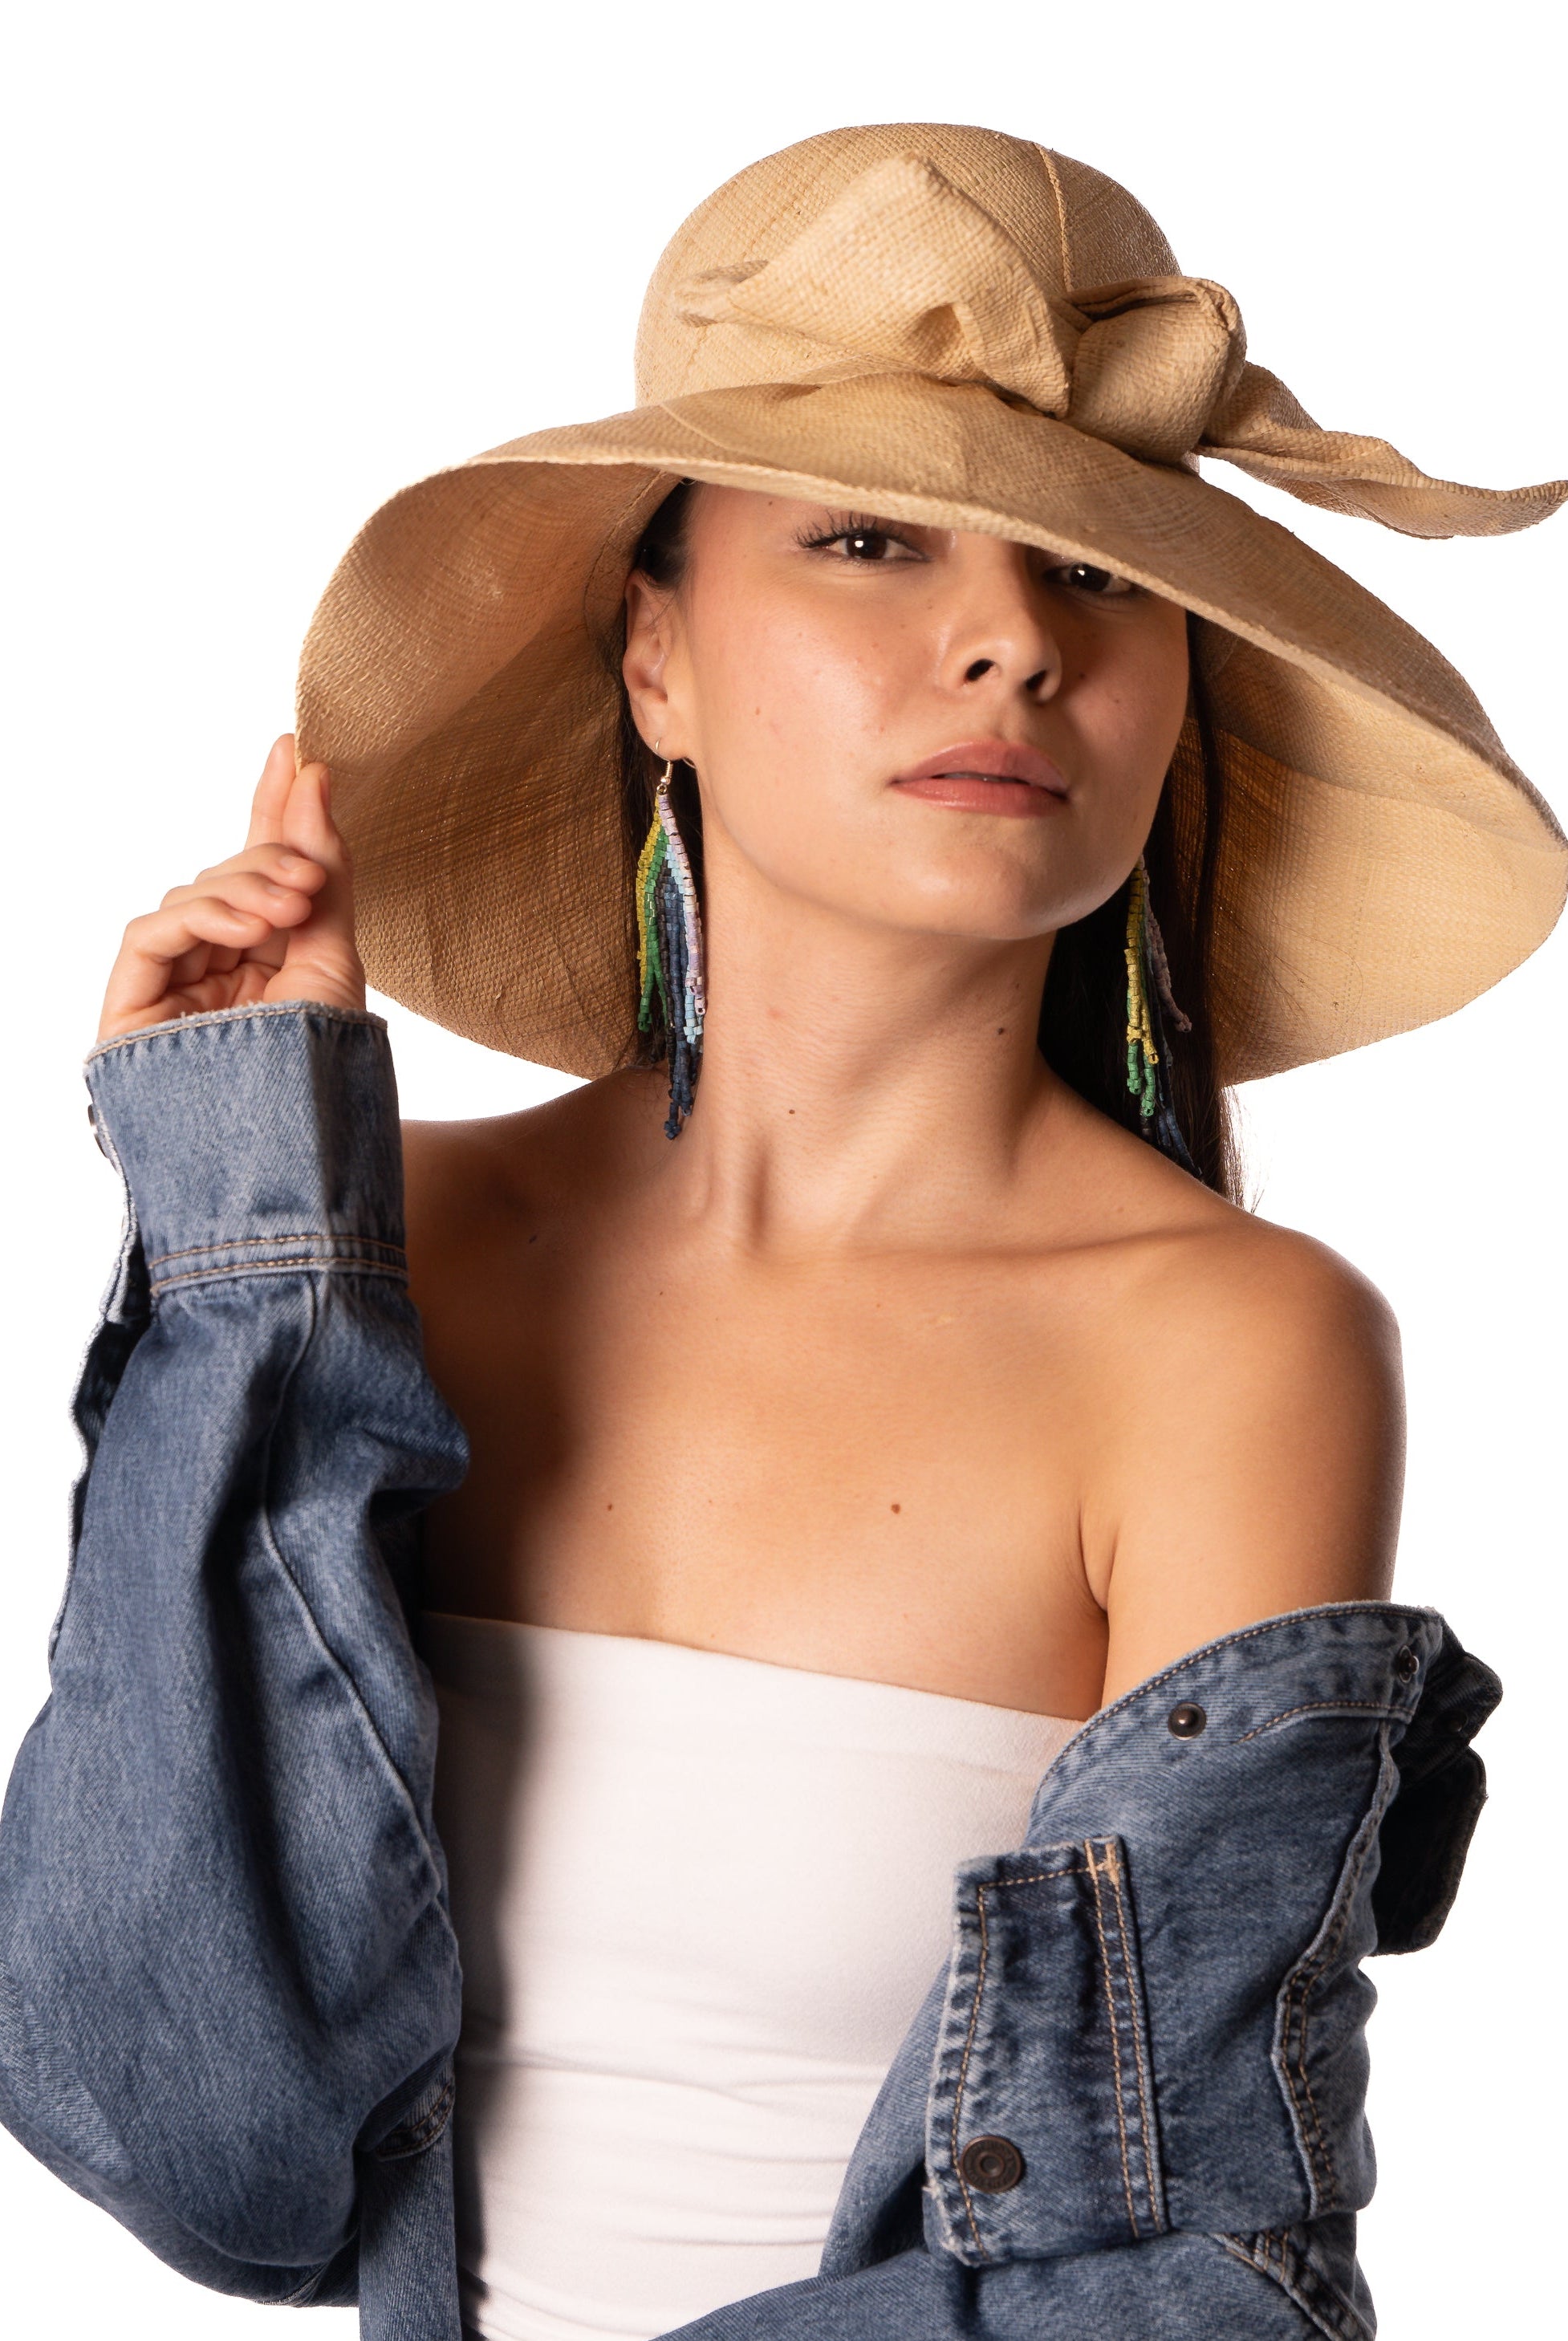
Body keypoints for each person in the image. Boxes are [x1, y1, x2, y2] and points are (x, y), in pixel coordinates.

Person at [0, 124, 1558, 2341]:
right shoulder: (387, 1247)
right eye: (864, 542)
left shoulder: (1228, 1345)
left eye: (1102, 582)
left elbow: (1189, 2284)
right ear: (656, 667)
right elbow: (192, 2132)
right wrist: (250, 1217)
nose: (1010, 643)